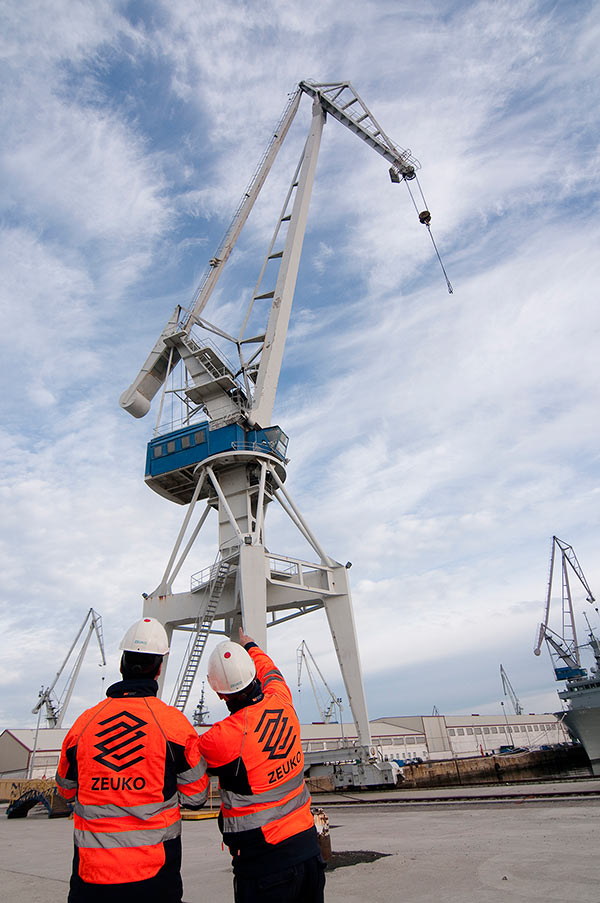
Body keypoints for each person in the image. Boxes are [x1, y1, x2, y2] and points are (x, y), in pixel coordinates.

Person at [56, 616, 209, 903]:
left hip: (91, 881)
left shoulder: (83, 725)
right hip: (154, 879)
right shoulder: (173, 726)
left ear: (121, 665)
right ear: (159, 669)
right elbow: (197, 797)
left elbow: (65, 791)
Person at [198, 628, 325, 903]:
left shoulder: (222, 738)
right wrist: (251, 645)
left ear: (220, 694)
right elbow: (272, 672)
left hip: (265, 864)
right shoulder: (282, 699)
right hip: (308, 850)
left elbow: (186, 764)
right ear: (253, 674)